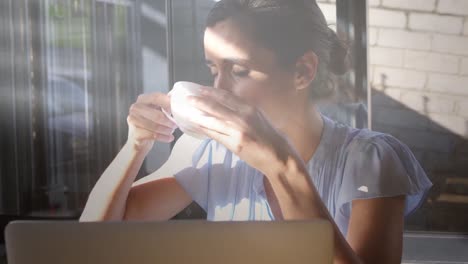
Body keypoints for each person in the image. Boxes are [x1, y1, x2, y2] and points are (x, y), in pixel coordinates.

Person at [80, 0, 432, 263]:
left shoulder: (370, 161)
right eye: (213, 69)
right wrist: (135, 145)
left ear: (302, 71)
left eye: (239, 71)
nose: (218, 89)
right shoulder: (207, 152)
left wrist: (281, 165)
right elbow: (92, 241)